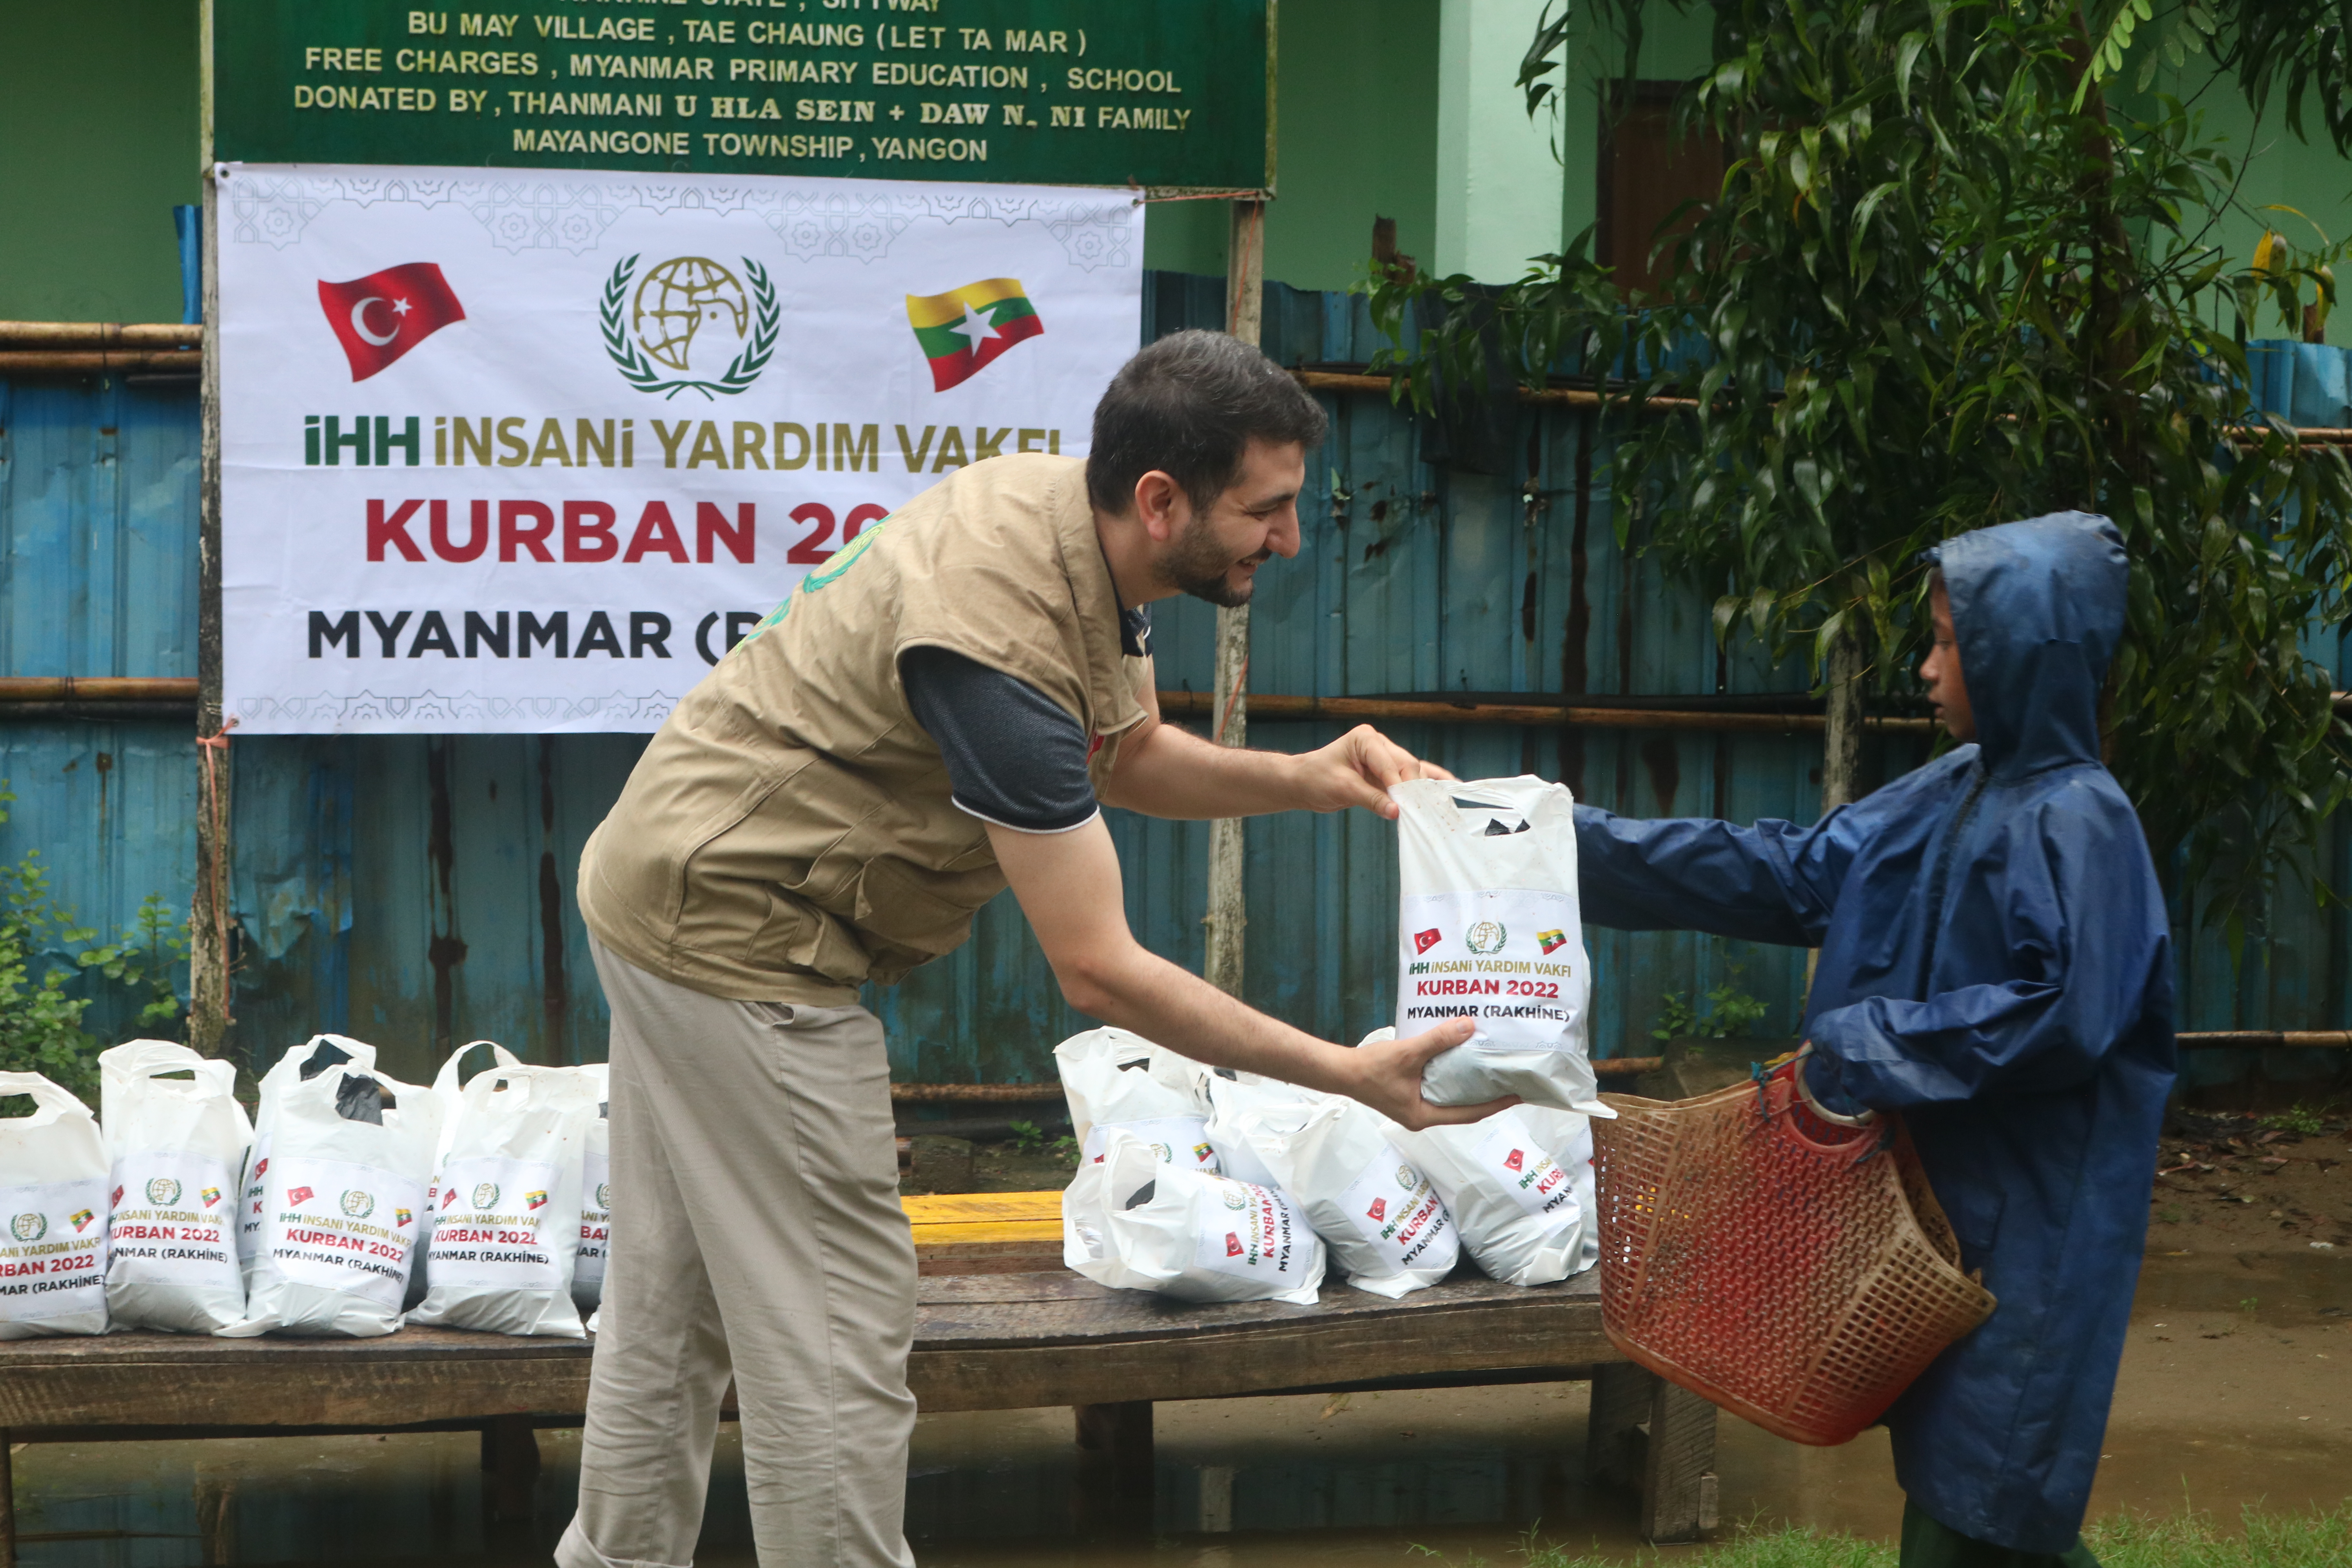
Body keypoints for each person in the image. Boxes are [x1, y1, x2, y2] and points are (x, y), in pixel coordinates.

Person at [555, 329, 1507, 1568]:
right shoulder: (997, 634)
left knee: (672, 1306)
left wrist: (1308, 777)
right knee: (838, 1329)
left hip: (670, 883)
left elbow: (1122, 753)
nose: (1288, 540)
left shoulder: (1069, 527)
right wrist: (1349, 1075)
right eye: (1266, 511)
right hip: (745, 945)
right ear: (1161, 501)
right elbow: (1099, 967)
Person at [1574, 512, 2174, 1566]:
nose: (1929, 665)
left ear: (2019, 656)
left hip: (2034, 1225)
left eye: (1951, 643)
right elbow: (1792, 868)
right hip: (1940, 1207)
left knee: (1986, 1498)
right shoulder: (1960, 787)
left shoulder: (2083, 821)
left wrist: (1864, 1046)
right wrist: (1556, 842)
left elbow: (2065, 1016)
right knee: (1960, 1490)